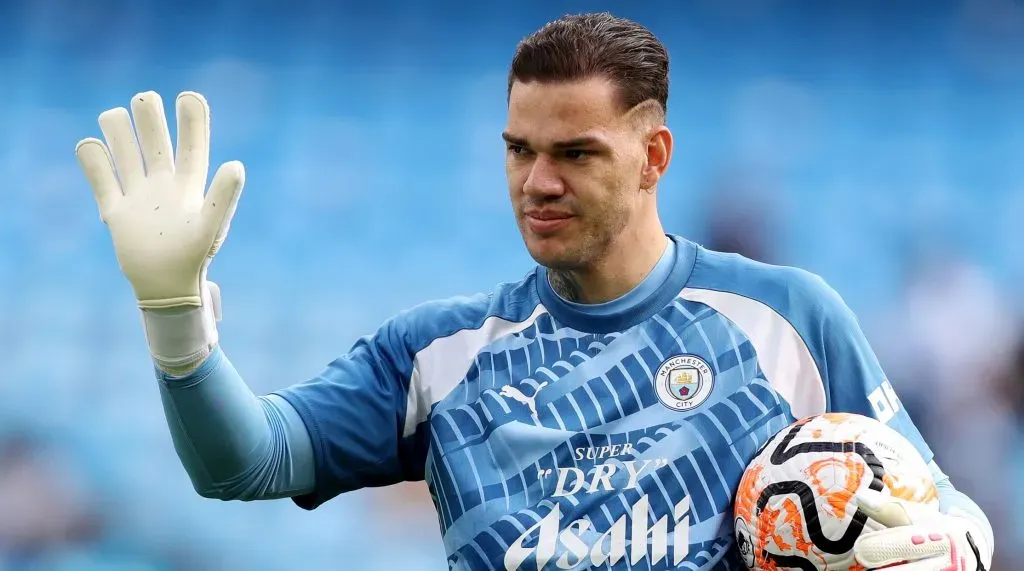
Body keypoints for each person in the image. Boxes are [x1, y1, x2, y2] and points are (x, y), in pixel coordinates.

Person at [74, 12, 993, 571]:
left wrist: (950, 539)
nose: (537, 182)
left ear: (653, 156)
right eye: (519, 150)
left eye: (575, 153)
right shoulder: (438, 355)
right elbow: (244, 463)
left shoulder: (786, 319)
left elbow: (942, 510)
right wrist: (174, 318)